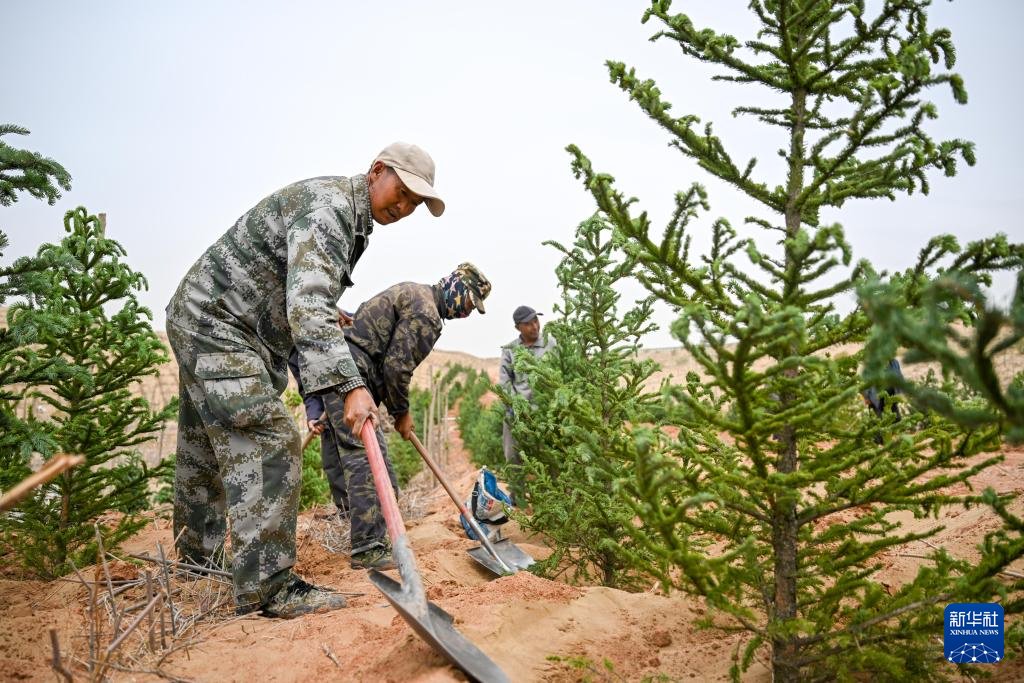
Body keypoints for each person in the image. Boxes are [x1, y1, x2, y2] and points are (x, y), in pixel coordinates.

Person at [165, 142, 445, 619]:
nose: (403, 208)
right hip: (222, 325)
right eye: (400, 193)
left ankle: (197, 563)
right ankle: (267, 588)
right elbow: (307, 305)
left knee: (205, 445)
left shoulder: (347, 215)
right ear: (377, 171)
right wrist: (351, 387)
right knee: (272, 440)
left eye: (414, 204)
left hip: (204, 315)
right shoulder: (332, 209)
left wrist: (328, 312)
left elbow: (299, 286)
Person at [292, 263, 491, 569]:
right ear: (456, 287)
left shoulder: (414, 291)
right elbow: (397, 368)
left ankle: (352, 521)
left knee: (340, 450)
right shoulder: (426, 313)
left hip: (334, 365)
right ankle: (368, 546)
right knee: (369, 459)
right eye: (468, 303)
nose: (465, 313)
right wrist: (402, 412)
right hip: (351, 372)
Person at [498, 305, 555, 465]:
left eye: (536, 320)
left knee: (551, 456)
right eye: (528, 324)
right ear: (518, 327)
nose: (535, 326)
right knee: (513, 453)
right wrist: (517, 407)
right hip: (519, 411)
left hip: (547, 411)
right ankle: (517, 487)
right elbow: (504, 383)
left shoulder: (551, 344)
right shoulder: (510, 350)